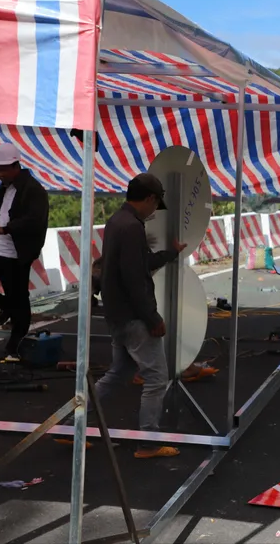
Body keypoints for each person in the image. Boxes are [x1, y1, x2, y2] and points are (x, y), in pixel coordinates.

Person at [58, 173, 187, 459]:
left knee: (118, 374)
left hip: (116, 315)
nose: (156, 210)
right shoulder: (131, 227)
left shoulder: (118, 221)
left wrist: (169, 254)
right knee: (156, 378)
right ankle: (148, 442)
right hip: (133, 317)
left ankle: (69, 428)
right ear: (150, 198)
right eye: (156, 204)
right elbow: (134, 279)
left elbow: (135, 265)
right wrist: (153, 319)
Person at [0, 142, 49, 362]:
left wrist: (7, 229)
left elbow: (35, 221)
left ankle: (14, 346)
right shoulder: (4, 187)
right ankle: (7, 308)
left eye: (4, 169)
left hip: (16, 254)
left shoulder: (34, 189)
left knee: (19, 299)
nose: (0, 174)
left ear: (16, 166)